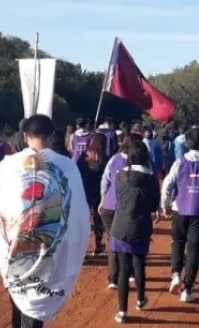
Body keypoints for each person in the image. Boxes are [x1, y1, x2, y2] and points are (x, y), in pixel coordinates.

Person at [0, 115, 90, 327]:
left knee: (18, 302)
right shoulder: (67, 166)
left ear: (25, 136)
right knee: (33, 312)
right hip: (49, 252)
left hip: (15, 250)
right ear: (52, 135)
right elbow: (79, 214)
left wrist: (1, 245)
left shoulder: (7, 166)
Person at [161, 128, 199, 302]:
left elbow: (167, 185)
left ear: (187, 143)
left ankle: (175, 275)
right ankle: (188, 289)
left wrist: (165, 205)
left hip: (179, 209)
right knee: (194, 249)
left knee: (178, 242)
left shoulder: (179, 162)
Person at [111, 140, 160, 323]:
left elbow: (118, 197)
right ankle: (140, 300)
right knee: (139, 264)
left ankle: (122, 312)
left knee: (123, 269)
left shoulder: (120, 175)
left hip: (120, 225)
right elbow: (154, 205)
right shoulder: (151, 179)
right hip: (140, 226)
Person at [99, 135, 135, 289]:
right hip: (127, 207)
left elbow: (105, 180)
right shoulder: (139, 160)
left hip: (109, 205)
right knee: (130, 239)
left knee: (113, 241)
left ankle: (114, 278)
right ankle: (130, 272)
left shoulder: (114, 159)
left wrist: (102, 199)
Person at [77, 134, 108, 256]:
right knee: (98, 221)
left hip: (84, 192)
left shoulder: (83, 157)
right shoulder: (104, 158)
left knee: (84, 222)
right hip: (98, 193)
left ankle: (83, 250)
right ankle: (98, 245)